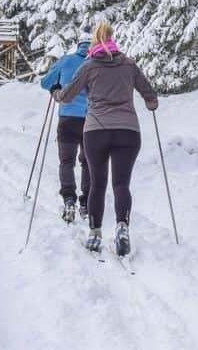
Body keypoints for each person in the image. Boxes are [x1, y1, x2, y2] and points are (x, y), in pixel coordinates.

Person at [51, 19, 158, 257]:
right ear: (112, 39)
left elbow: (67, 95)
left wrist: (55, 93)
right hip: (128, 131)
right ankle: (122, 226)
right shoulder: (129, 65)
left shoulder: (88, 66)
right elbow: (150, 94)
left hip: (96, 131)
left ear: (94, 42)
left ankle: (95, 233)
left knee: (98, 184)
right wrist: (151, 103)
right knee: (121, 184)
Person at [40, 31, 92, 223]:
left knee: (66, 162)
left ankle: (69, 200)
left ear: (78, 45)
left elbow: (45, 82)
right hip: (91, 120)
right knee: (88, 162)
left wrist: (55, 88)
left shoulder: (67, 60)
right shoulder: (98, 63)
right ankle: (86, 203)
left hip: (68, 118)